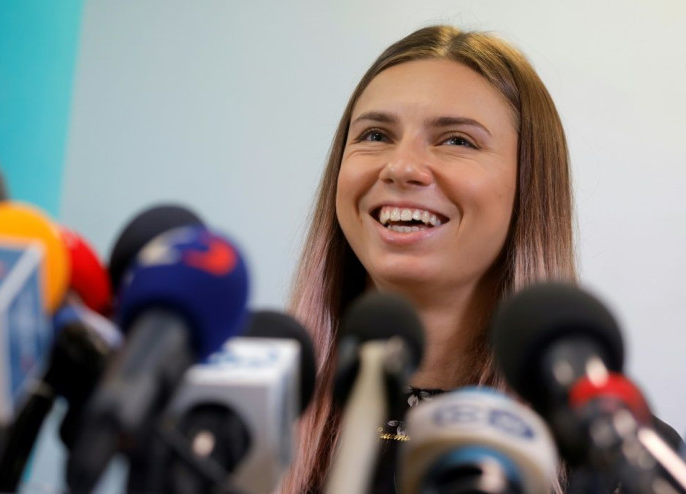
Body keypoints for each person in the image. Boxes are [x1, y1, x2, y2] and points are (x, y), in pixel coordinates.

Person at [278, 24, 679, 493]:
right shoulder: (240, 429)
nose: (402, 166)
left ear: (528, 187)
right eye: (375, 134)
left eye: (457, 141)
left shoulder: (619, 458)